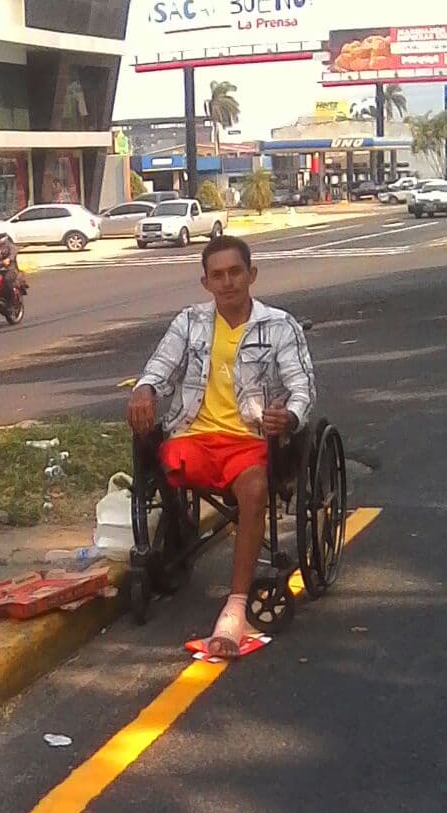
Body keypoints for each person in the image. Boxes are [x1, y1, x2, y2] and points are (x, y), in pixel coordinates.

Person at [127, 235, 315, 658]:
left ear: (251, 275)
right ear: (205, 282)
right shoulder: (190, 323)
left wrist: (289, 416)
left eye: (235, 273)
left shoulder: (279, 326)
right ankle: (175, 535)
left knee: (253, 492)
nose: (228, 282)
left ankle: (234, 607)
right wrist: (144, 389)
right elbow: (161, 366)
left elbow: (301, 387)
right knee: (151, 455)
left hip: (250, 442)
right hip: (193, 434)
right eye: (218, 275)